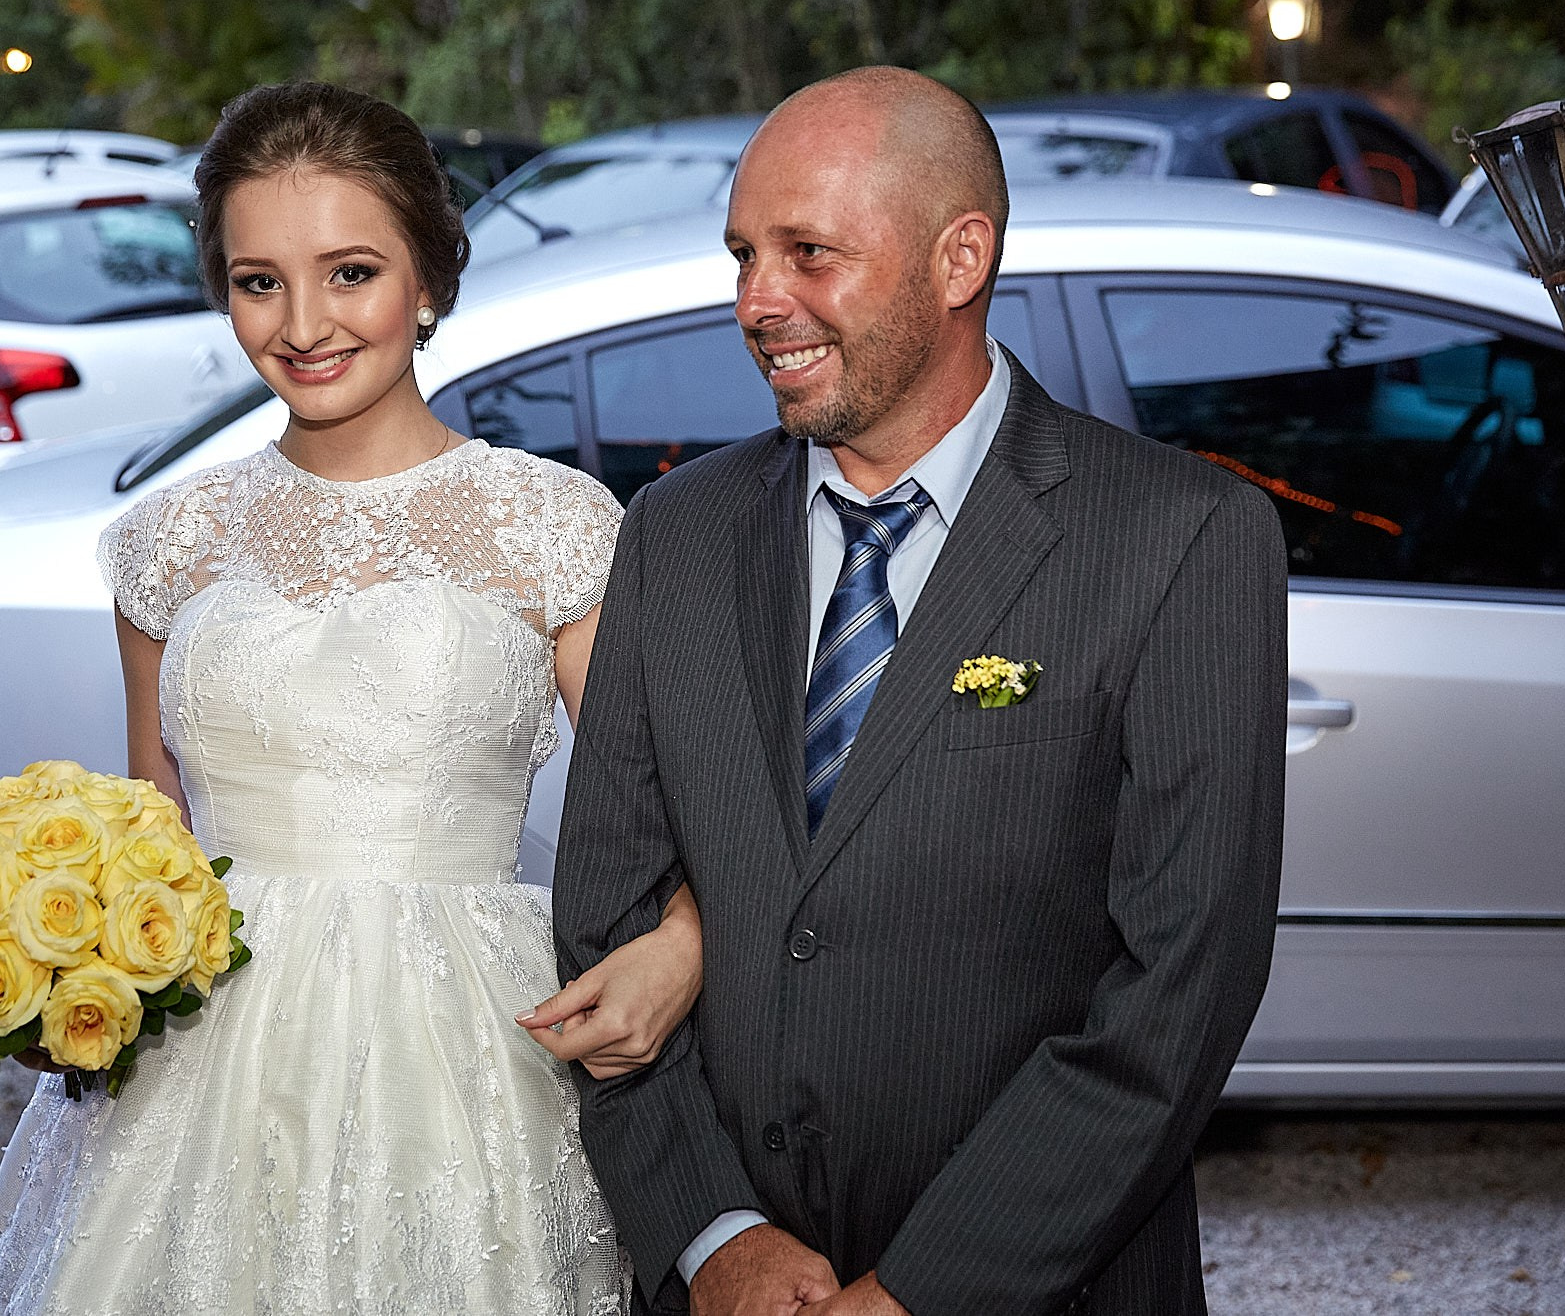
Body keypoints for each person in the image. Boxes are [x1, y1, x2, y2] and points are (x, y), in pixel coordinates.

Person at [546, 67, 1287, 1315]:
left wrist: (922, 1290)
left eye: (806, 253)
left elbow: (1178, 988)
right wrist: (714, 1236)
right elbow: (604, 925)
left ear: (959, 260)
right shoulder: (673, 535)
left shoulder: (1180, 537)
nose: (756, 300)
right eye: (741, 255)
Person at [0, 81, 703, 1315]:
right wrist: (64, 978)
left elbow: (666, 815)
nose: (302, 325)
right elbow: (151, 840)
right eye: (259, 282)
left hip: (461, 1051)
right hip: (202, 1066)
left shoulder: (550, 524)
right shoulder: (168, 541)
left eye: (349, 272)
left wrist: (681, 946)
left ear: (429, 282)